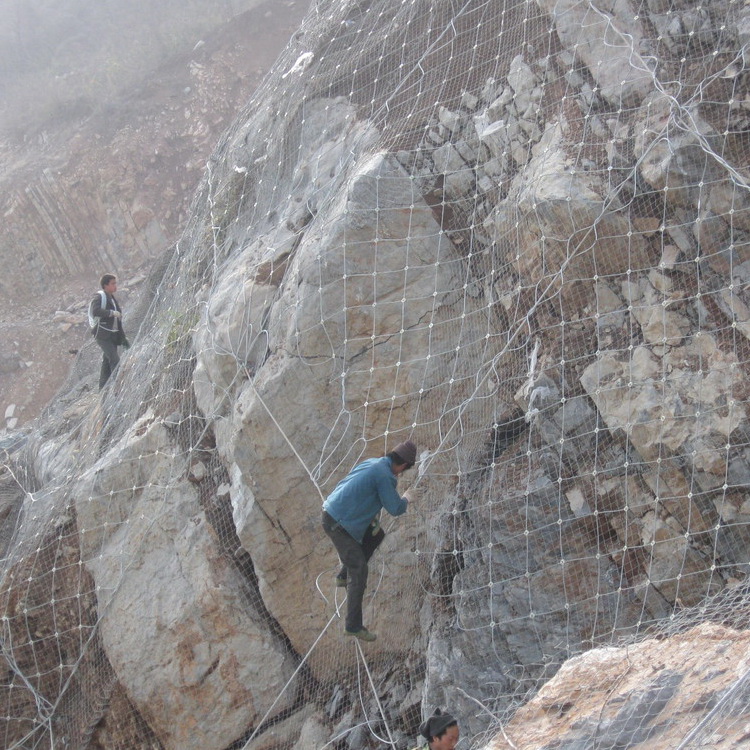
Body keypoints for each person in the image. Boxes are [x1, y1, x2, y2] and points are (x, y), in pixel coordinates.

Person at [322, 439, 418, 642]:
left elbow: (357, 490)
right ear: (402, 465)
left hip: (333, 513)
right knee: (359, 570)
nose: (400, 474)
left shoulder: (373, 462)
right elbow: (395, 508)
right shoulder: (385, 476)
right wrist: (406, 498)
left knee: (376, 534)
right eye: (403, 470)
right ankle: (353, 626)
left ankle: (342, 575)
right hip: (339, 524)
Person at [91, 273, 128, 389]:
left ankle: (103, 388)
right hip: (103, 335)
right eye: (113, 283)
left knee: (107, 362)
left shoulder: (111, 298)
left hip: (112, 335)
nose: (115, 286)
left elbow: (118, 320)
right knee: (114, 359)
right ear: (105, 285)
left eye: (115, 283)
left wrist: (123, 338)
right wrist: (111, 313)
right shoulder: (99, 297)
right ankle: (118, 388)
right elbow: (95, 311)